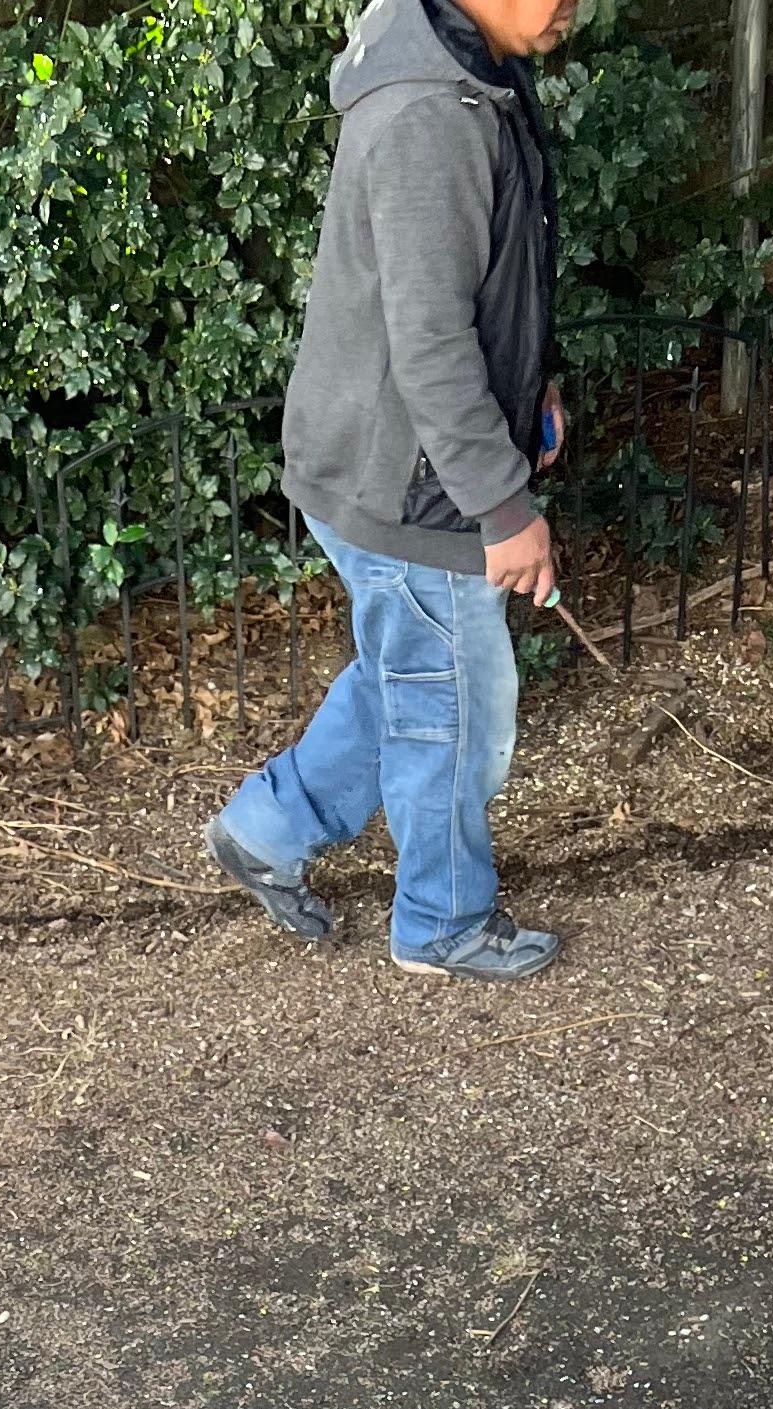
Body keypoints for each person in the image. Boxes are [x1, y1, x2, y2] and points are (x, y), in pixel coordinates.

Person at [207, 0, 575, 982]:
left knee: (411, 675)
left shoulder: (469, 77)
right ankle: (442, 923)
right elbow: (428, 342)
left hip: (386, 460)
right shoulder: (430, 112)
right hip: (408, 481)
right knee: (458, 705)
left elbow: (485, 282)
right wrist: (503, 507)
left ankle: (265, 828)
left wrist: (532, 387)